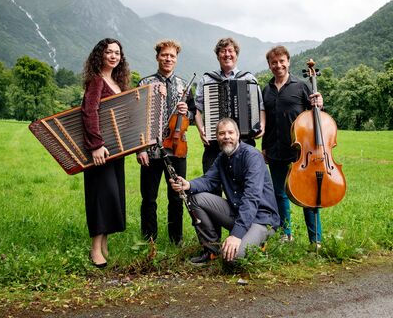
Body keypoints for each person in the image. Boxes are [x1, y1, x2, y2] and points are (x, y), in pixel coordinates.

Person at [171, 118, 279, 264]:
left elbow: (251, 198)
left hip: (261, 219)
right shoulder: (222, 157)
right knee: (194, 199)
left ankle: (258, 244)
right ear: (217, 137)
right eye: (222, 133)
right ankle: (211, 251)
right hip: (237, 211)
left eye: (230, 132)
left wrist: (236, 235)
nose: (226, 136)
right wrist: (188, 185)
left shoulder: (252, 156)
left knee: (232, 259)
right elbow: (208, 180)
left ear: (238, 135)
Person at [262, 45, 323, 246]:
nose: (278, 65)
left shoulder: (301, 86)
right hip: (274, 148)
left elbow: (315, 115)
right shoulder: (267, 90)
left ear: (288, 62)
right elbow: (266, 121)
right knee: (279, 193)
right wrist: (264, 147)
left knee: (307, 193)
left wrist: (319, 104)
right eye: (274, 62)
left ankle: (315, 239)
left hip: (301, 150)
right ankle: (285, 234)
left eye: (281, 61)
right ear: (269, 65)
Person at [136, 39, 196, 245]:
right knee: (149, 198)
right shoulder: (145, 83)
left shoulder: (184, 84)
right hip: (151, 150)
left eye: (172, 56)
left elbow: (194, 113)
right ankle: (148, 239)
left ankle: (175, 239)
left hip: (178, 149)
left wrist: (185, 111)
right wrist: (141, 149)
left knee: (177, 196)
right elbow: (138, 119)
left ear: (176, 59)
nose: (168, 58)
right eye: (164, 55)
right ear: (157, 57)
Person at [81, 38, 130, 268]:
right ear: (100, 54)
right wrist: (96, 145)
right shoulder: (97, 81)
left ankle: (104, 244)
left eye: (117, 53)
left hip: (116, 151)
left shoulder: (118, 81)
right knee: (101, 196)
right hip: (101, 150)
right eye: (109, 52)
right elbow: (89, 112)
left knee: (112, 196)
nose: (113, 56)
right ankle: (94, 249)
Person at [195, 37, 266, 174]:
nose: (227, 54)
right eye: (223, 51)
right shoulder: (207, 79)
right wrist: (201, 129)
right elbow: (197, 108)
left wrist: (261, 124)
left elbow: (260, 106)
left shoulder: (248, 79)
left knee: (243, 187)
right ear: (218, 56)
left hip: (243, 143)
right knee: (211, 186)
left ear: (236, 54)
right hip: (214, 144)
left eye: (230, 51)